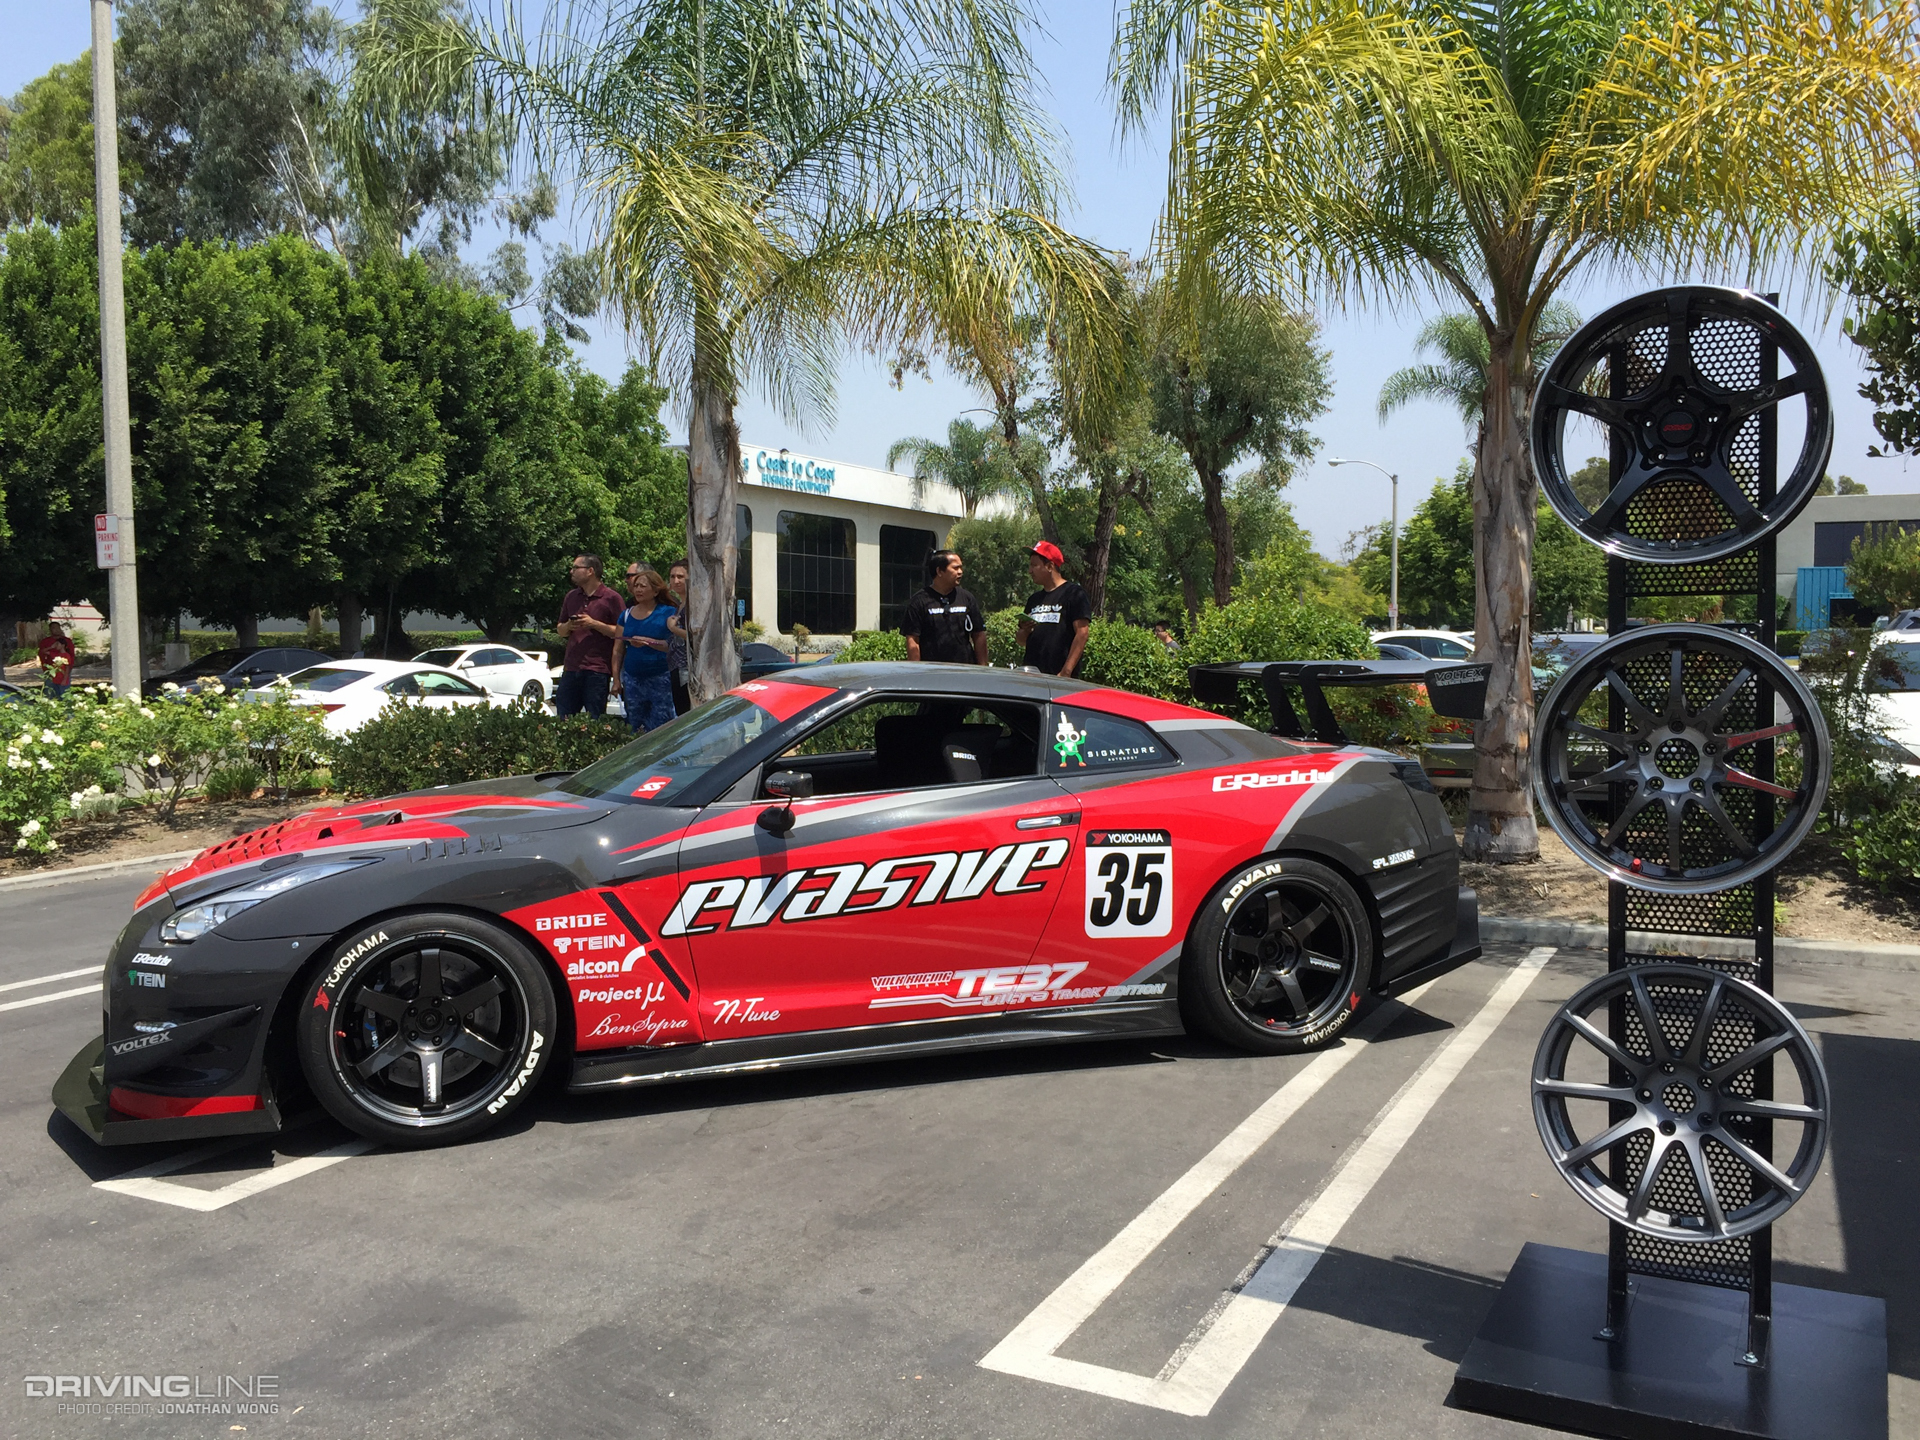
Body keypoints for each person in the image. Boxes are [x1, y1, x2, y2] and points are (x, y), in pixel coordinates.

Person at [554, 554, 624, 717]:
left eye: (576, 568)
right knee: (564, 718)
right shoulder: (571, 596)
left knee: (595, 718)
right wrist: (568, 626)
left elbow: (623, 632)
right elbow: (560, 630)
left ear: (590, 571)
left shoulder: (612, 598)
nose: (571, 571)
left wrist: (594, 624)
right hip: (571, 668)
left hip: (597, 670)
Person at [611, 567, 680, 733]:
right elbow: (618, 650)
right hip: (633, 679)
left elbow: (675, 646)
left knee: (662, 726)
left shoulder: (669, 612)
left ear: (655, 591)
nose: (638, 590)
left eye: (643, 586)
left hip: (660, 678)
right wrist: (617, 680)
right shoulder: (626, 615)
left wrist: (649, 642)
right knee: (635, 727)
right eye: (636, 586)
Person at [1016, 542, 1091, 677]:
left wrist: (1066, 671)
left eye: (1034, 565)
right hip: (1032, 677)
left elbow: (1082, 633)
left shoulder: (1074, 594)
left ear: (1050, 566)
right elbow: (1021, 641)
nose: (1030, 571)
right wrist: (1025, 630)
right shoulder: (1034, 599)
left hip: (1059, 678)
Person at [901, 550, 988, 665]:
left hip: (964, 669)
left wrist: (983, 667)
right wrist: (916, 669)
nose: (960, 572)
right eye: (955, 568)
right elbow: (913, 640)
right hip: (932, 671)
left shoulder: (967, 598)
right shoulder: (919, 601)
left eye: (961, 568)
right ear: (939, 571)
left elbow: (979, 635)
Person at [666, 559, 692, 714]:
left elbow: (697, 638)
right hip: (675, 668)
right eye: (672, 576)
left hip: (689, 671)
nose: (676, 581)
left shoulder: (693, 605)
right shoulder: (679, 605)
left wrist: (673, 628)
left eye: (680, 576)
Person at [37, 622, 76, 699]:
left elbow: (71, 657)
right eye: (53, 628)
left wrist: (67, 673)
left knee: (64, 693)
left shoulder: (67, 642)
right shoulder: (46, 642)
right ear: (50, 630)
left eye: (58, 627)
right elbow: (42, 653)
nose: (56, 630)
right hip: (50, 671)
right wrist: (51, 647)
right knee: (49, 692)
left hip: (63, 672)